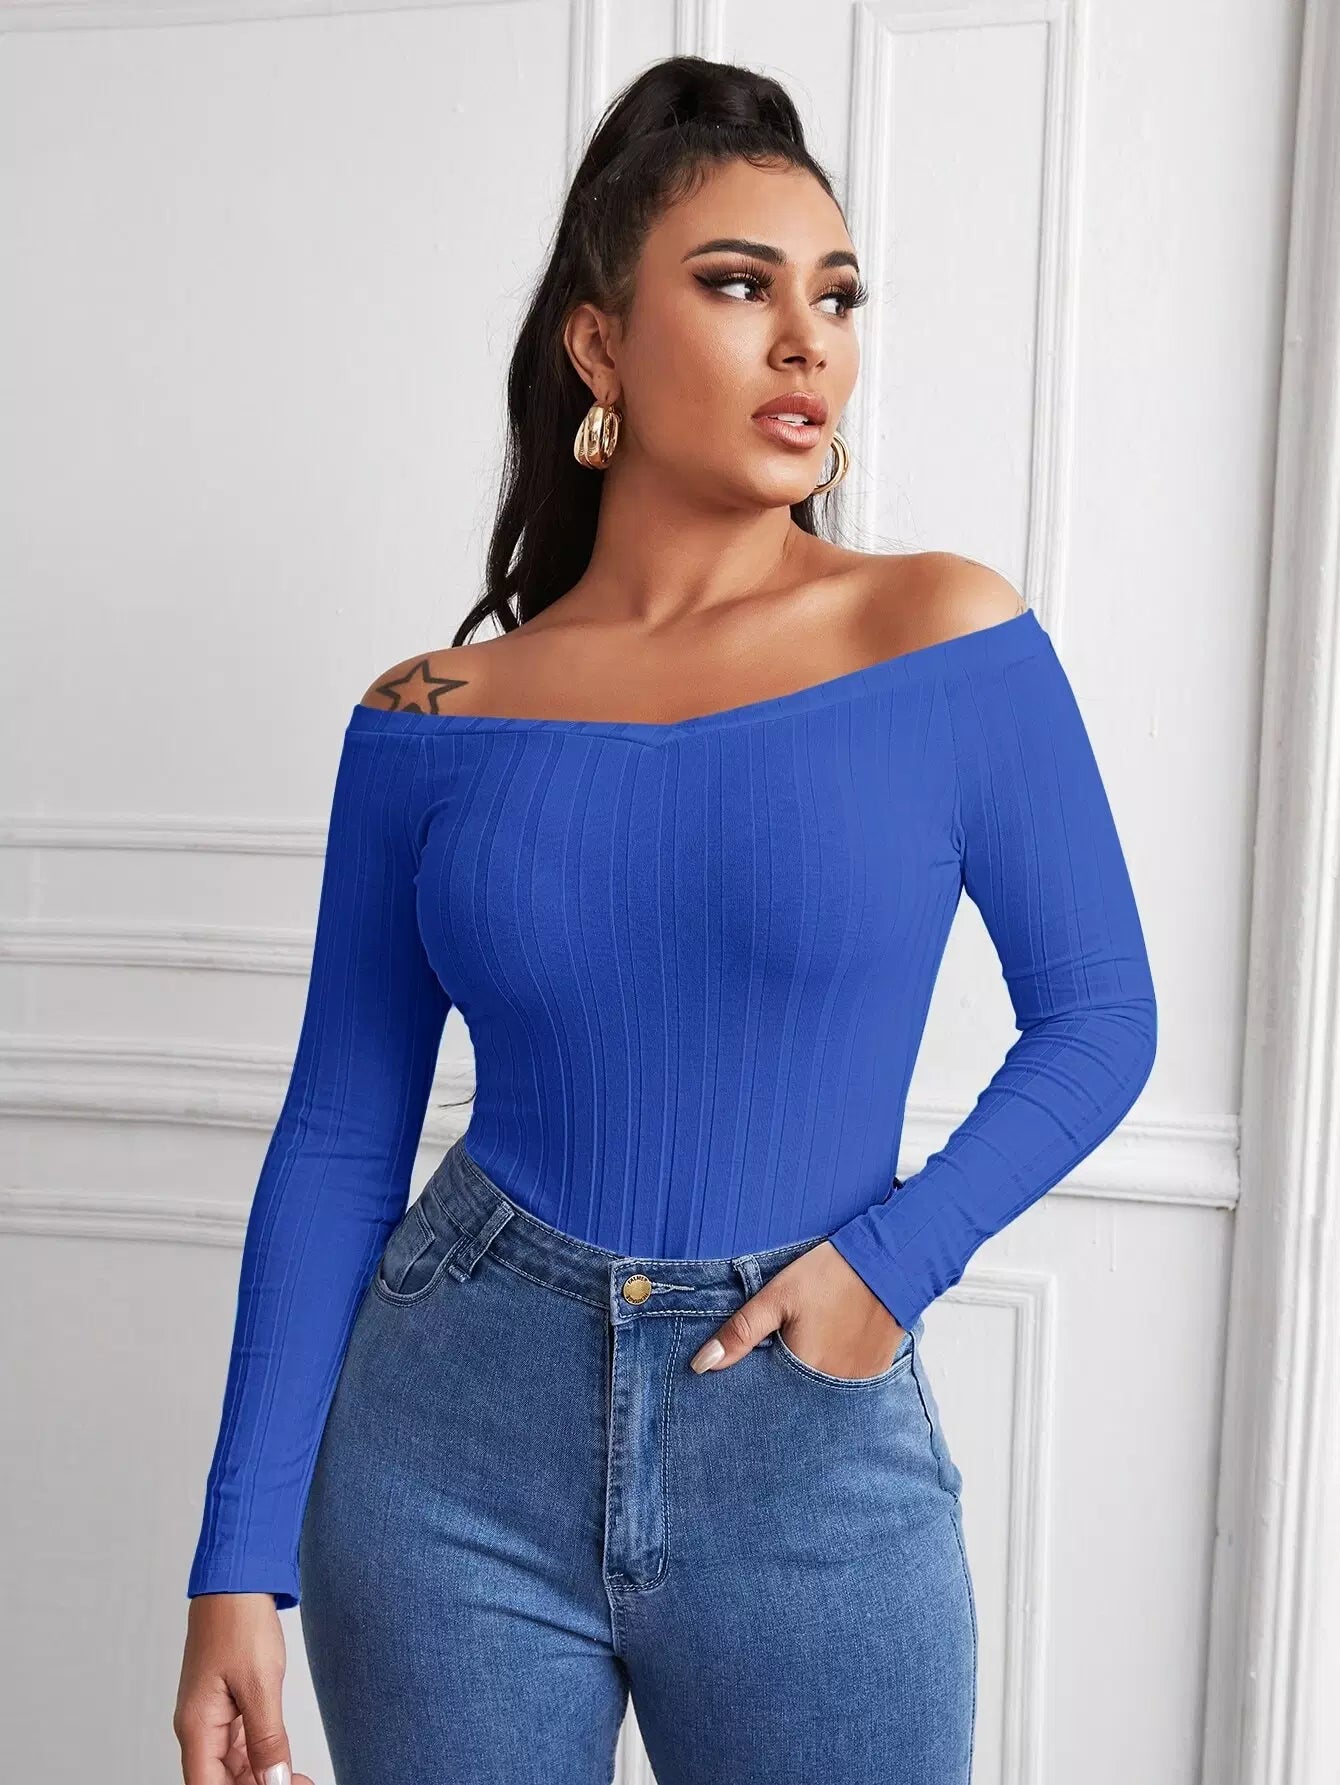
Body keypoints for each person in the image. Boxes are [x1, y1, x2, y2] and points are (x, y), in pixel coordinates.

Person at [174, 53, 1157, 1785]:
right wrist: (235, 1556)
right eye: (738, 286)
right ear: (599, 346)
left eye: (835, 297)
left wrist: (890, 1268)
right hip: (448, 1442)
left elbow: (1101, 1018)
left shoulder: (940, 637)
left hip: (806, 1438)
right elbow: (340, 1127)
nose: (808, 344)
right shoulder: (433, 713)